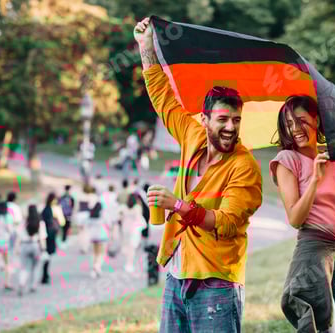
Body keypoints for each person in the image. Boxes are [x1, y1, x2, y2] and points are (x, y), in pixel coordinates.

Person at [134, 18, 262, 333]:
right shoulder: (192, 136)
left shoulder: (244, 167)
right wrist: (146, 48)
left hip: (217, 283)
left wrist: (177, 206)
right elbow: (163, 99)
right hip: (177, 276)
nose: (231, 127)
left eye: (236, 119)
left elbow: (228, 223)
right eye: (222, 119)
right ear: (204, 119)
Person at [269, 95, 335, 333]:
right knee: (326, 328)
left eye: (300, 121)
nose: (295, 129)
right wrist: (314, 179)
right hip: (313, 258)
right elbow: (295, 219)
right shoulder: (286, 161)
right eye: (289, 124)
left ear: (317, 119)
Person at [17, 205, 47, 296]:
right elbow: (42, 238)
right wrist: (43, 249)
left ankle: (22, 282)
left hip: (24, 245)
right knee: (36, 267)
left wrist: (17, 248)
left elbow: (18, 236)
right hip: (35, 246)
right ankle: (33, 285)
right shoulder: (40, 223)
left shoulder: (24, 222)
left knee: (24, 267)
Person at [119, 193, 147, 273]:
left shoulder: (124, 207)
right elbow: (138, 217)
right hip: (133, 230)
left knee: (128, 246)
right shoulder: (137, 207)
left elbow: (120, 218)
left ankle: (128, 263)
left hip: (125, 228)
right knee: (132, 248)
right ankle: (129, 264)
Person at [87, 188, 109, 278]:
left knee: (95, 252)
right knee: (101, 253)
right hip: (101, 235)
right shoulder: (102, 215)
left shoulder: (91, 216)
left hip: (93, 235)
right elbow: (108, 222)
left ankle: (94, 268)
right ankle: (97, 267)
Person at [41, 193, 60, 284]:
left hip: (48, 235)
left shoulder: (47, 209)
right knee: (47, 256)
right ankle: (44, 276)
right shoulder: (47, 210)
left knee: (47, 257)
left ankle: (45, 275)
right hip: (48, 236)